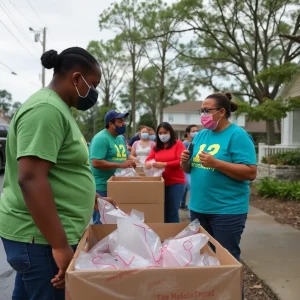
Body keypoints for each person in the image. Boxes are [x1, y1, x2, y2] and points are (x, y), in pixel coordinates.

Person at [0, 47, 117, 300]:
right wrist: (60, 245)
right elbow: (30, 179)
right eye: (93, 84)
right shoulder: (46, 110)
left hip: (44, 238)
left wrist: (93, 198)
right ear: (76, 79)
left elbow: (63, 170)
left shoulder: (60, 109)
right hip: (40, 239)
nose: (93, 92)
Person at [180, 92, 257, 263]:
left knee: (226, 261)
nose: (203, 115)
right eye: (201, 111)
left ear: (221, 112)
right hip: (198, 207)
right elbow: (190, 168)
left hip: (226, 210)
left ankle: (233, 291)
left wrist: (217, 163)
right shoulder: (201, 135)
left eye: (207, 111)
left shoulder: (237, 135)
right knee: (204, 259)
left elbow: (251, 172)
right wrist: (184, 162)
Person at [90, 110, 136, 224]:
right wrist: (120, 165)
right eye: (120, 122)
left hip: (117, 184)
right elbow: (96, 162)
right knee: (101, 222)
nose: (123, 124)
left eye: (123, 121)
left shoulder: (120, 138)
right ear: (110, 124)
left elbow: (125, 155)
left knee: (116, 222)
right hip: (101, 186)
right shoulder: (101, 139)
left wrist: (134, 162)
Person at [145, 122, 186, 223]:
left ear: (170, 132)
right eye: (160, 133)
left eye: (165, 132)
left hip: (176, 182)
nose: (163, 135)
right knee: (161, 211)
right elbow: (149, 158)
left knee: (172, 212)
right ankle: (164, 233)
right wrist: (148, 163)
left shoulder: (178, 144)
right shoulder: (156, 147)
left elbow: (180, 161)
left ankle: (174, 234)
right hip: (160, 183)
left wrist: (164, 164)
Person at [180, 125, 199, 210]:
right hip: (186, 169)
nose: (196, 133)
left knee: (186, 188)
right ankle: (192, 208)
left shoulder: (197, 142)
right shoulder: (184, 144)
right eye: (193, 131)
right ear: (188, 133)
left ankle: (183, 204)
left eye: (197, 130)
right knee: (191, 186)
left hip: (194, 167)